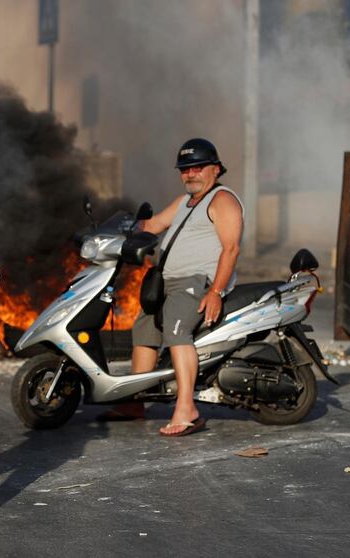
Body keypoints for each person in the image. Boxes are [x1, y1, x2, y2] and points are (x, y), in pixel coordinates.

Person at [99, 138, 243, 437]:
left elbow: (231, 249)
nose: (190, 174)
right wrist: (114, 227)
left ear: (215, 169)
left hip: (196, 282)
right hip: (165, 282)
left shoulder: (222, 200)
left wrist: (214, 292)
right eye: (185, 169)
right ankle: (134, 402)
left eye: (198, 167)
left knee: (176, 331)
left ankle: (187, 407)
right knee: (144, 331)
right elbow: (152, 226)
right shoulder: (184, 202)